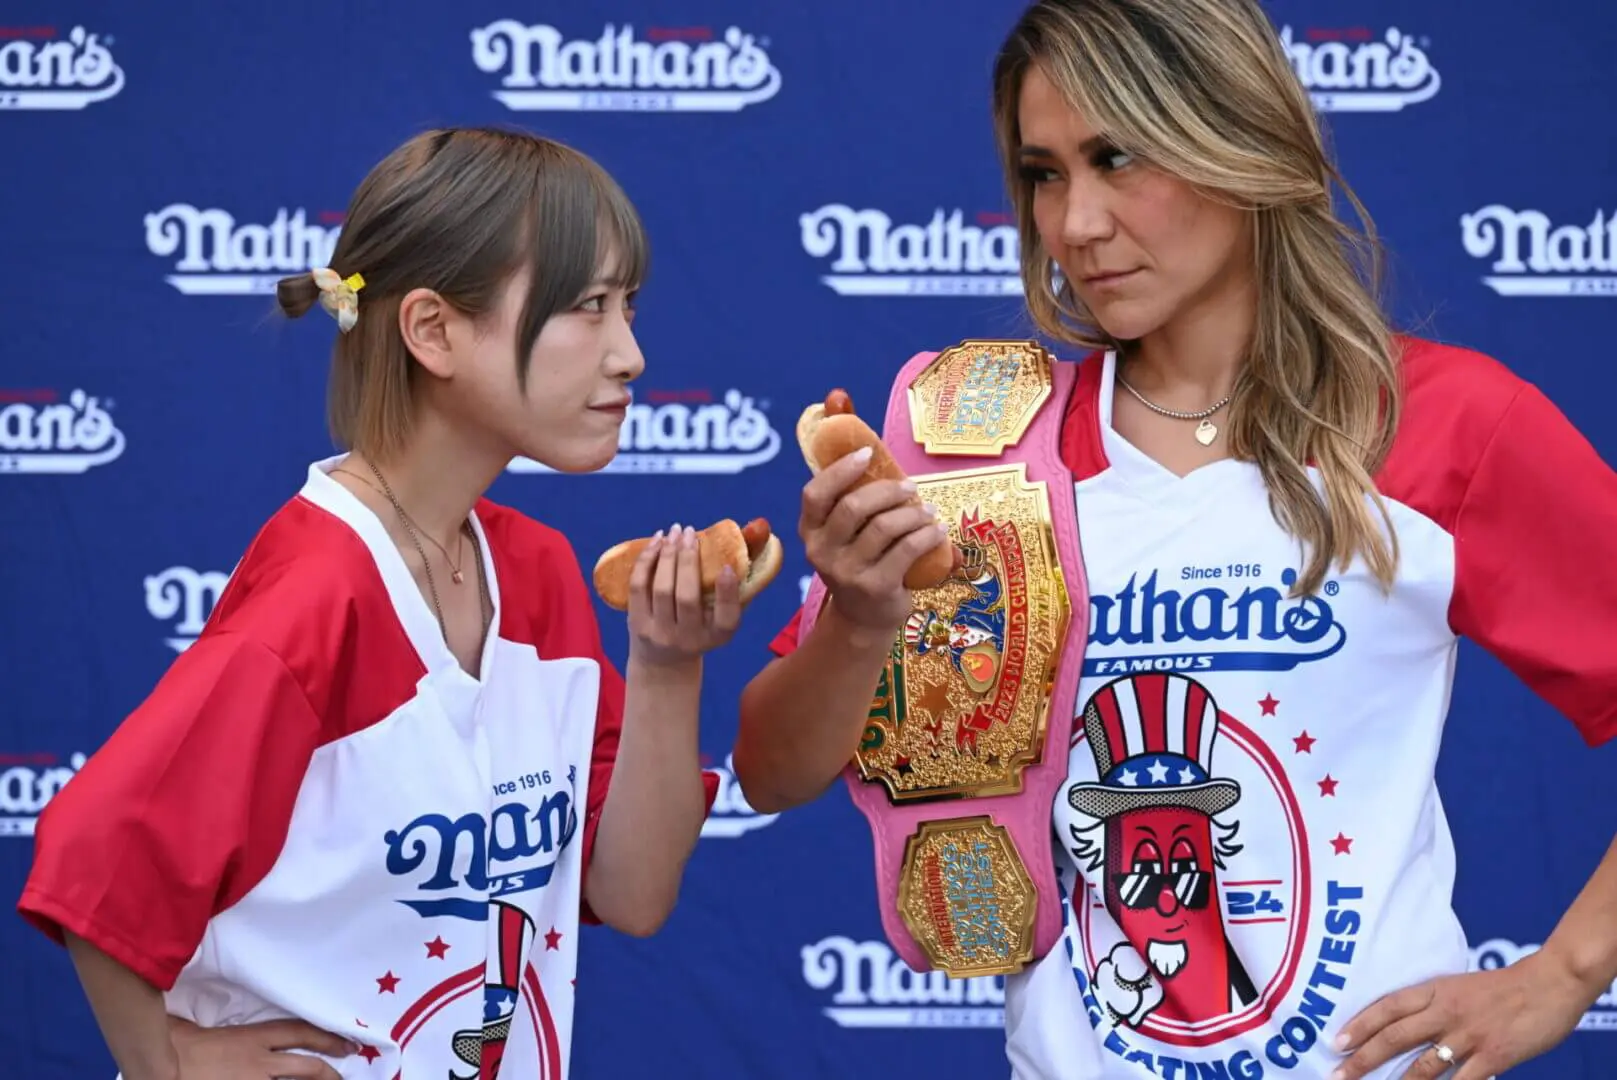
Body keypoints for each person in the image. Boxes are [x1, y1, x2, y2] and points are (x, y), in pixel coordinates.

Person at [734, 2, 1617, 1078]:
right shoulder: (982, 447)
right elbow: (772, 772)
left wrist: (1565, 973)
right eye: (1045, 173)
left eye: (1117, 157)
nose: (1077, 223)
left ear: (1237, 139)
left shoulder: (1441, 422)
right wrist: (862, 621)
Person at [18, 127, 741, 1080]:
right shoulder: (320, 593)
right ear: (433, 330)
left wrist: (667, 660)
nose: (630, 355)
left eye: (629, 306)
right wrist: (173, 1064)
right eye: (587, 308)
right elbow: (95, 858)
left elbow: (634, 893)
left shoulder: (539, 572)